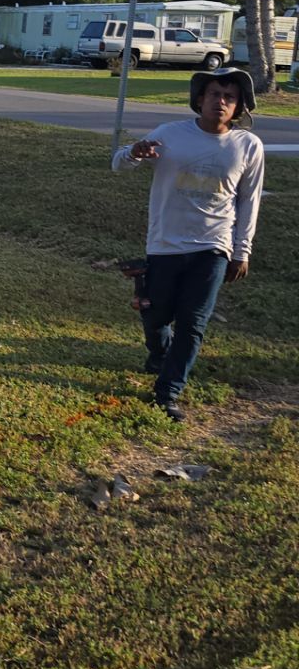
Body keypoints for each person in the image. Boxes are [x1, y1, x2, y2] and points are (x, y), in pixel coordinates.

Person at [111, 66, 264, 421]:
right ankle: (158, 353)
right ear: (200, 99)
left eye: (230, 97)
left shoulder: (247, 146)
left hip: (213, 247)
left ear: (239, 105)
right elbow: (119, 164)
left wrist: (242, 251)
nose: (221, 102)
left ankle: (168, 393)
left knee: (193, 323)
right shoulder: (169, 134)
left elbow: (249, 201)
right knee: (156, 316)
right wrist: (135, 152)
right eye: (214, 94)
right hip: (165, 243)